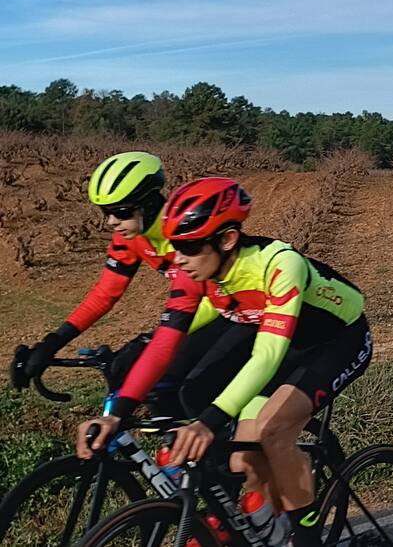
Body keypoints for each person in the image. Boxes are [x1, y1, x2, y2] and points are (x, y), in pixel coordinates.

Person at [75, 178, 372, 547]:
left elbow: (267, 355)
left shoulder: (279, 265)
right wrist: (116, 413)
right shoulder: (196, 272)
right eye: (175, 247)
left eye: (188, 247)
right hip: (282, 345)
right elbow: (166, 343)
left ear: (227, 239)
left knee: (273, 431)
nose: (177, 259)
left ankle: (310, 540)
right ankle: (272, 531)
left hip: (335, 340)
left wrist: (207, 424)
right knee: (243, 460)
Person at [20, 152, 179, 385]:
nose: (111, 222)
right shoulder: (129, 237)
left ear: (149, 203)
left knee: (186, 388)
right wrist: (52, 343)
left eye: (121, 212)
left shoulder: (185, 231)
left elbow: (207, 297)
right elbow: (104, 296)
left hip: (235, 306)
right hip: (199, 309)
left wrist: (150, 340)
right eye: (106, 212)